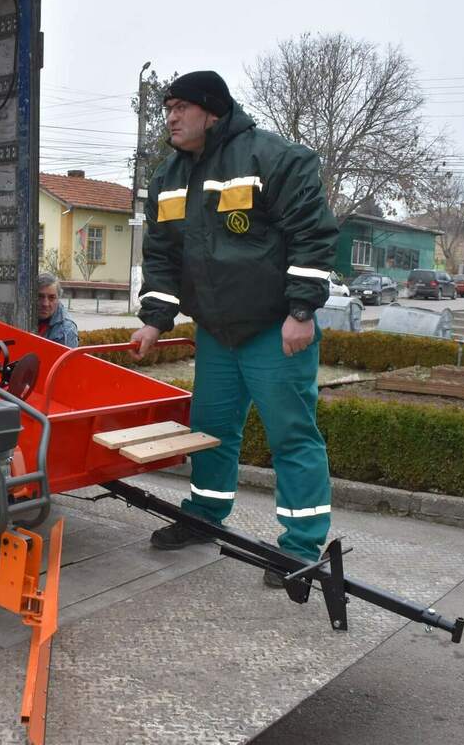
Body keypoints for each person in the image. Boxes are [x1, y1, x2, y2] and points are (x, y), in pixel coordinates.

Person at [130, 71, 338, 586]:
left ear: (212, 111)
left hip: (274, 329)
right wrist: (155, 321)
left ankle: (300, 549)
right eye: (167, 108)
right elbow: (161, 256)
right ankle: (204, 516)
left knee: (292, 436)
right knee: (211, 433)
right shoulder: (167, 179)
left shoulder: (275, 158)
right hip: (218, 334)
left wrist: (301, 312)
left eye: (181, 106)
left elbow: (312, 237)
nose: (171, 117)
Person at [36, 272, 79, 347]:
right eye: (40, 296)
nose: (45, 304)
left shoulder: (66, 330)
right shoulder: (23, 316)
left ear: (58, 299)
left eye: (51, 298)